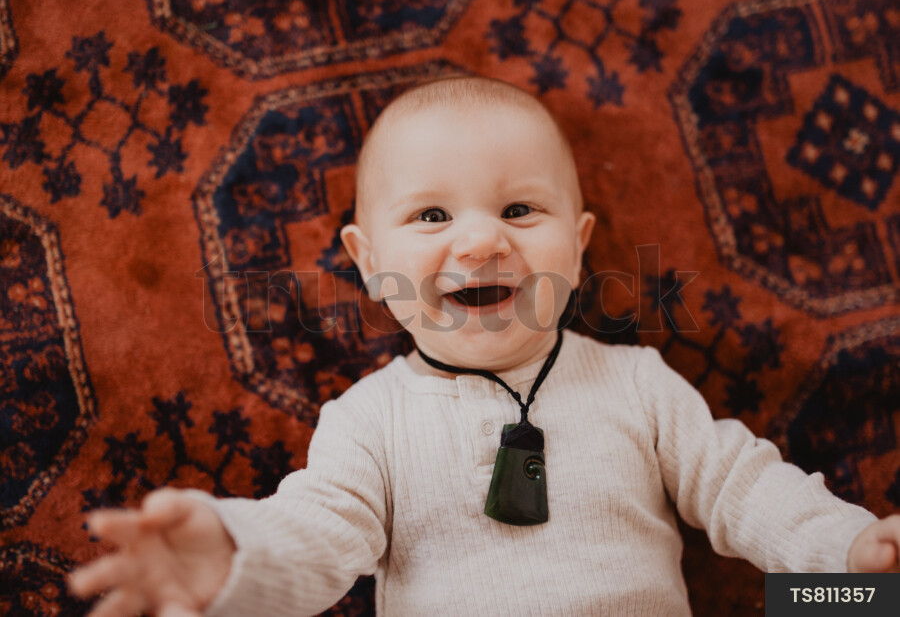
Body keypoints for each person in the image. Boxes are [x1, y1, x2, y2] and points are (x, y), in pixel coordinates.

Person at [70, 76, 900, 617]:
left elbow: (747, 489)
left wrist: (850, 558)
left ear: (576, 250)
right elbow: (316, 534)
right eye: (431, 217)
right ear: (366, 264)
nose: (478, 242)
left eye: (518, 211)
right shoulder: (368, 421)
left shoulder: (637, 385)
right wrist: (229, 557)